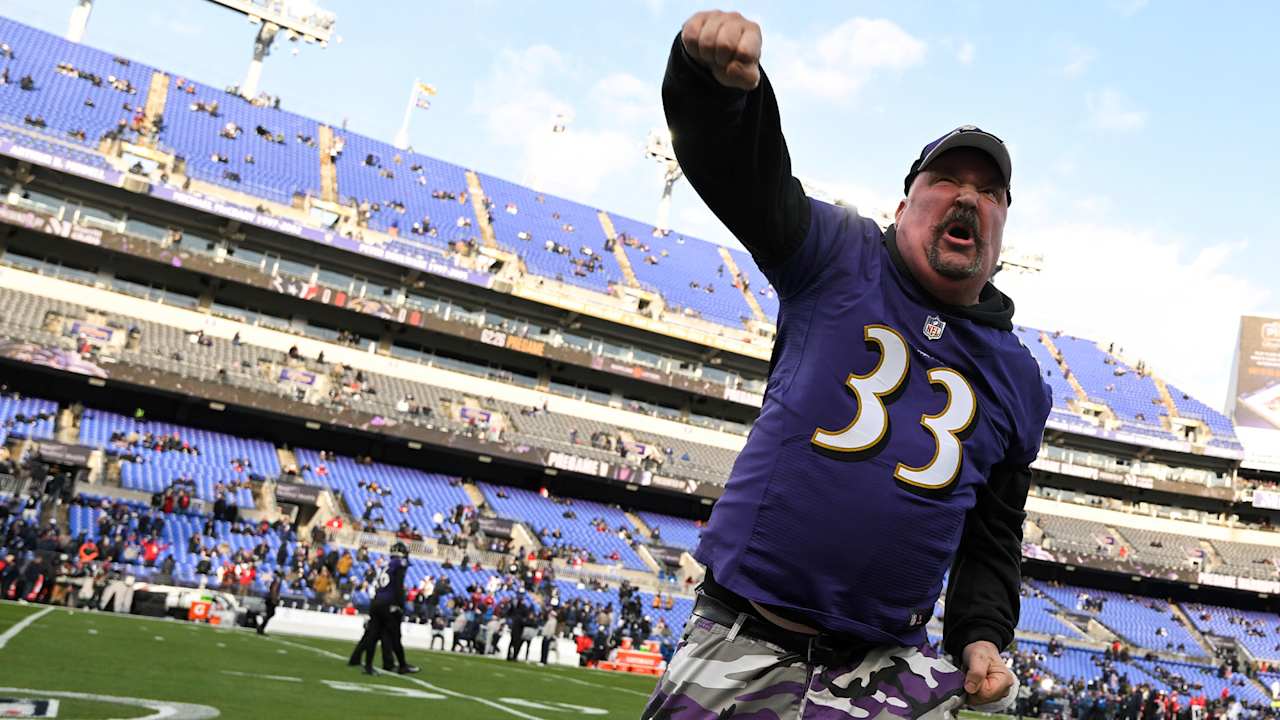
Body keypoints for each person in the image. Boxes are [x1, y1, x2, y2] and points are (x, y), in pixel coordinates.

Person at [645, 11, 1051, 720]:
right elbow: (747, 177)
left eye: (988, 192)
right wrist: (716, 89)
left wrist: (983, 634)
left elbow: (993, 535)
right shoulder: (838, 255)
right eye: (946, 179)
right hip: (746, 634)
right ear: (903, 206)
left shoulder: (1019, 380)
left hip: (886, 666)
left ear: (1002, 229)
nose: (967, 196)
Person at [348, 542, 419, 675]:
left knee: (373, 635)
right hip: (388, 603)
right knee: (395, 636)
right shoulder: (399, 564)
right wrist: (399, 605)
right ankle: (402, 665)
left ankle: (368, 666)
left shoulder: (387, 564)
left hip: (377, 601)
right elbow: (398, 585)